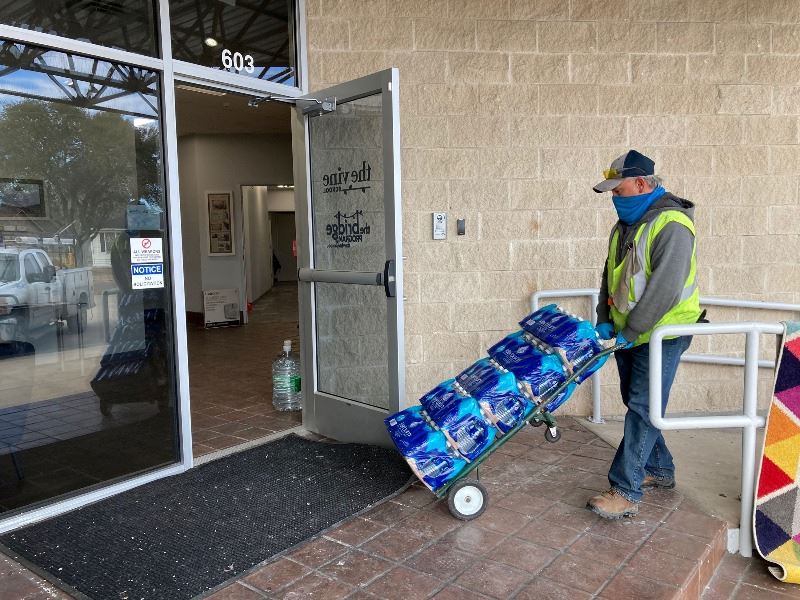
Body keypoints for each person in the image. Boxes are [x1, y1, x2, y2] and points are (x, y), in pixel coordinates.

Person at [587, 149, 702, 519]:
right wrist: (604, 315)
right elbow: (610, 273)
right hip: (631, 331)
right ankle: (659, 468)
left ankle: (625, 489)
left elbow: (665, 289)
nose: (614, 199)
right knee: (636, 401)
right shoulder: (624, 226)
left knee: (643, 407)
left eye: (618, 190)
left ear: (640, 183)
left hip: (664, 332)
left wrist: (633, 329)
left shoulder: (672, 225)